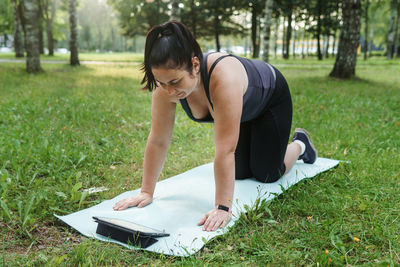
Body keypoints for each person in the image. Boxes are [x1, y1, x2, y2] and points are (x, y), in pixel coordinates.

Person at [113, 21, 317, 232]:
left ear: (195, 65)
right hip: (243, 110)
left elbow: (225, 149)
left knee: (267, 174)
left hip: (270, 100)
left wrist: (222, 207)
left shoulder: (223, 79)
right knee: (240, 173)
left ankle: (300, 144)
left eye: (174, 82)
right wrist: (146, 191)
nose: (169, 90)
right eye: (162, 82)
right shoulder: (165, 88)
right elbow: (158, 140)